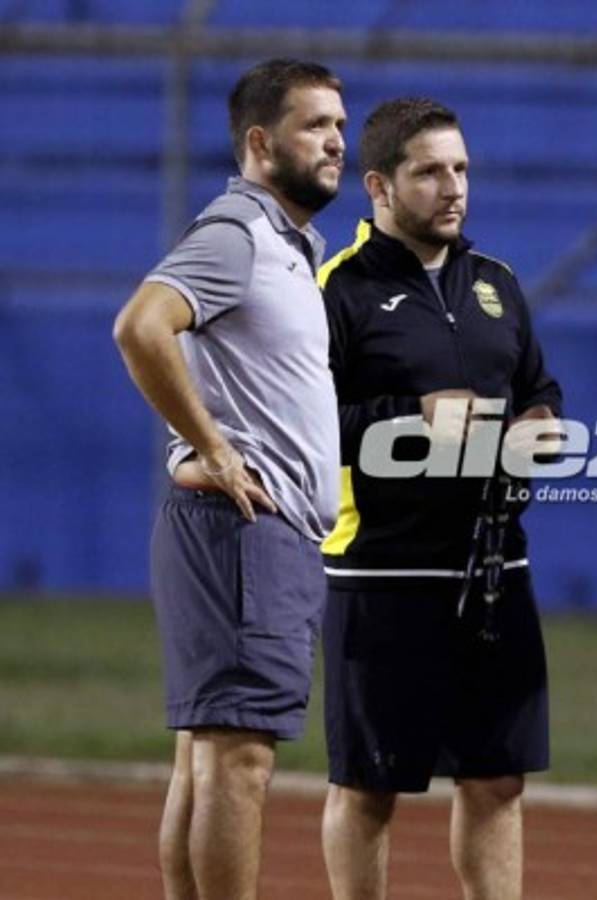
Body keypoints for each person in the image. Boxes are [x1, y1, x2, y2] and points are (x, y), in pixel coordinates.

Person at [112, 58, 346, 900]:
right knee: (237, 765)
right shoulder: (238, 234)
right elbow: (141, 326)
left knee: (206, 762)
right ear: (259, 140)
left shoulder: (282, 246)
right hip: (244, 536)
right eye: (315, 124)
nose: (335, 143)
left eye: (341, 127)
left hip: (243, 538)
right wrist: (211, 446)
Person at [317, 97, 561, 900]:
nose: (453, 187)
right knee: (370, 786)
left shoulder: (497, 283)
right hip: (383, 573)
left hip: (494, 570)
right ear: (378, 187)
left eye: (460, 169)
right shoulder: (336, 291)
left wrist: (540, 422)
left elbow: (538, 387)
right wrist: (407, 418)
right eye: (429, 172)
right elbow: (306, 425)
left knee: (497, 780)